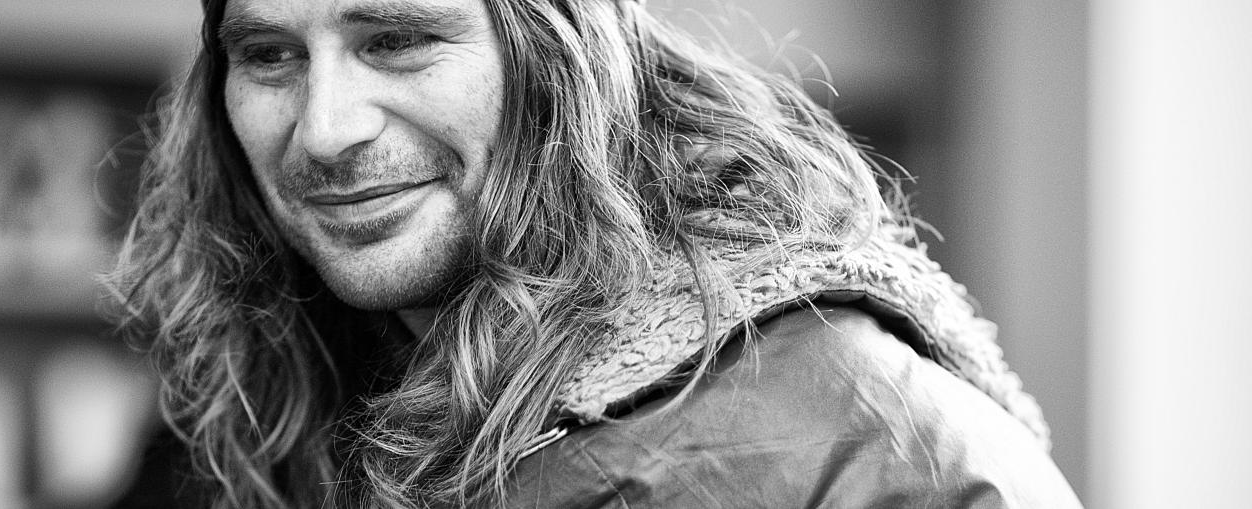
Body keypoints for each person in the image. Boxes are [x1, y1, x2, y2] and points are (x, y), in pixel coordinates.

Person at [106, 0, 1083, 507]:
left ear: (559, 57)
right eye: (269, 55)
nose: (322, 130)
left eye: (398, 39)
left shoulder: (876, 454)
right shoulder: (250, 422)